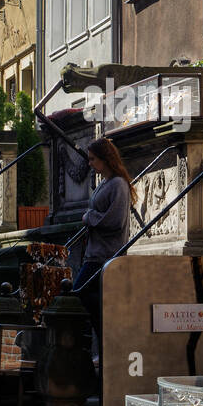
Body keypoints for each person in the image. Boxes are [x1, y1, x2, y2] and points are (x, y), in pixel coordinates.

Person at [72, 138, 136, 346]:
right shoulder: (106, 183)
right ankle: (103, 342)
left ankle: (106, 340)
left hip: (106, 254)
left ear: (104, 159)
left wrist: (89, 217)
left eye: (92, 159)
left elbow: (115, 221)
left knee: (80, 291)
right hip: (95, 252)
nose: (89, 163)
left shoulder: (118, 184)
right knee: (87, 295)